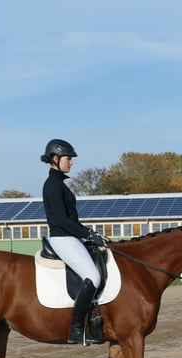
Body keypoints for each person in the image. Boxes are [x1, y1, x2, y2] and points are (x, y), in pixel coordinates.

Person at [41, 138, 105, 345]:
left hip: (71, 236)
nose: (72, 162)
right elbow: (61, 220)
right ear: (55, 158)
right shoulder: (52, 185)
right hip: (63, 238)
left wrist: (87, 233)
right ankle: (76, 329)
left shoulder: (59, 184)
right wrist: (86, 233)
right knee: (93, 277)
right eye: (69, 158)